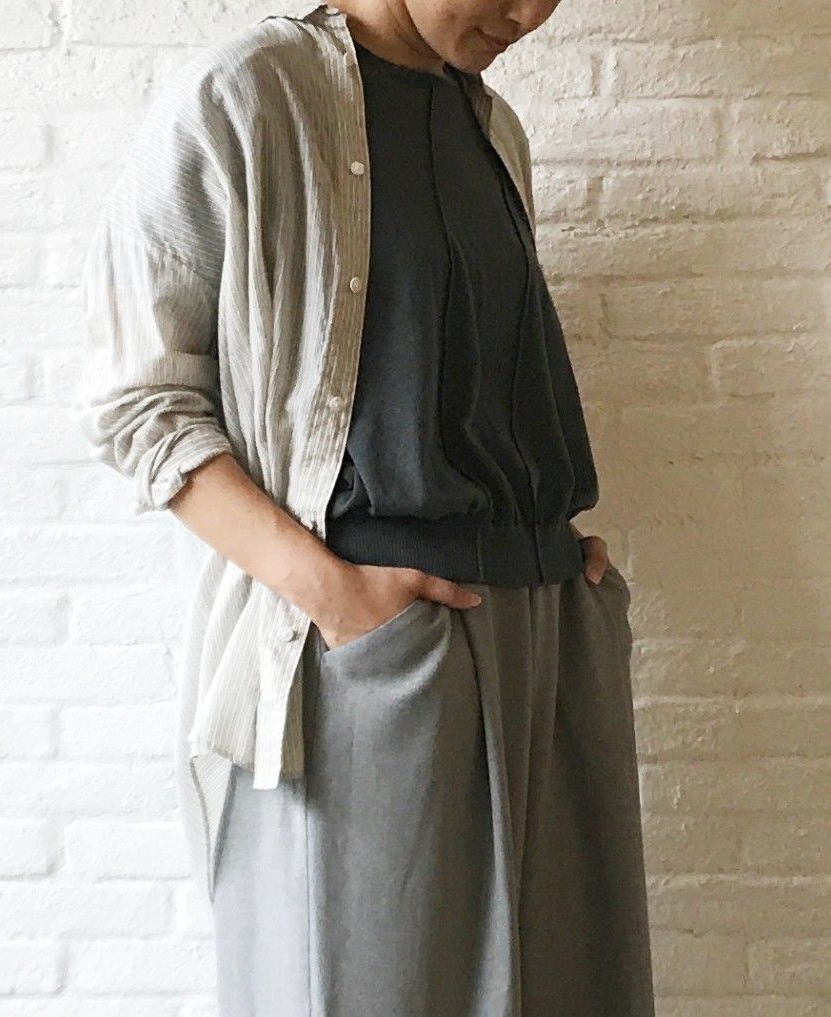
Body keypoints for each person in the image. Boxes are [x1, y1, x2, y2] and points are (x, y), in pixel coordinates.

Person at [75, 1, 656, 1013]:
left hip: (549, 633)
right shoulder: (252, 95)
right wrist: (332, 596)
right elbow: (138, 401)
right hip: (378, 652)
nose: (530, 13)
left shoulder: (492, 126)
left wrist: (564, 560)